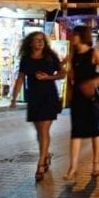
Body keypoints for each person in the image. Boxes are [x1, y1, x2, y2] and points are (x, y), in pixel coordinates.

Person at [10, 32, 66, 182]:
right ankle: (45, 155)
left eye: (42, 40)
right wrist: (14, 98)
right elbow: (20, 79)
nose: (40, 43)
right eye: (36, 40)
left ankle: (40, 164)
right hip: (34, 97)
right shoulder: (26, 59)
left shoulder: (50, 57)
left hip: (49, 96)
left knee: (44, 130)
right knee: (39, 133)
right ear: (30, 43)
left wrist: (49, 77)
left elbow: (62, 73)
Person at [64, 25, 99, 180]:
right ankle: (73, 166)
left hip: (90, 97)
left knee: (94, 131)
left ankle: (96, 163)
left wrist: (93, 83)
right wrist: (68, 96)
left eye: (74, 34)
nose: (72, 37)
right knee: (75, 132)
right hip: (77, 97)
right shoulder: (73, 54)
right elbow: (71, 77)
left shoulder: (93, 53)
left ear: (81, 36)